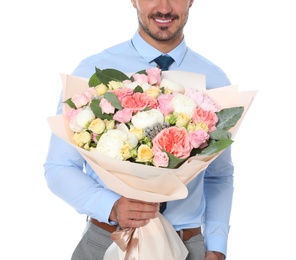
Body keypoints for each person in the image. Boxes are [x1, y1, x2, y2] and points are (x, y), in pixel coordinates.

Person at [44, 1, 234, 259]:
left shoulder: (214, 79)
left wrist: (217, 246)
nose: (164, 8)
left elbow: (218, 176)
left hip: (188, 247)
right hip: (109, 240)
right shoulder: (92, 71)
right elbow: (59, 167)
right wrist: (111, 207)